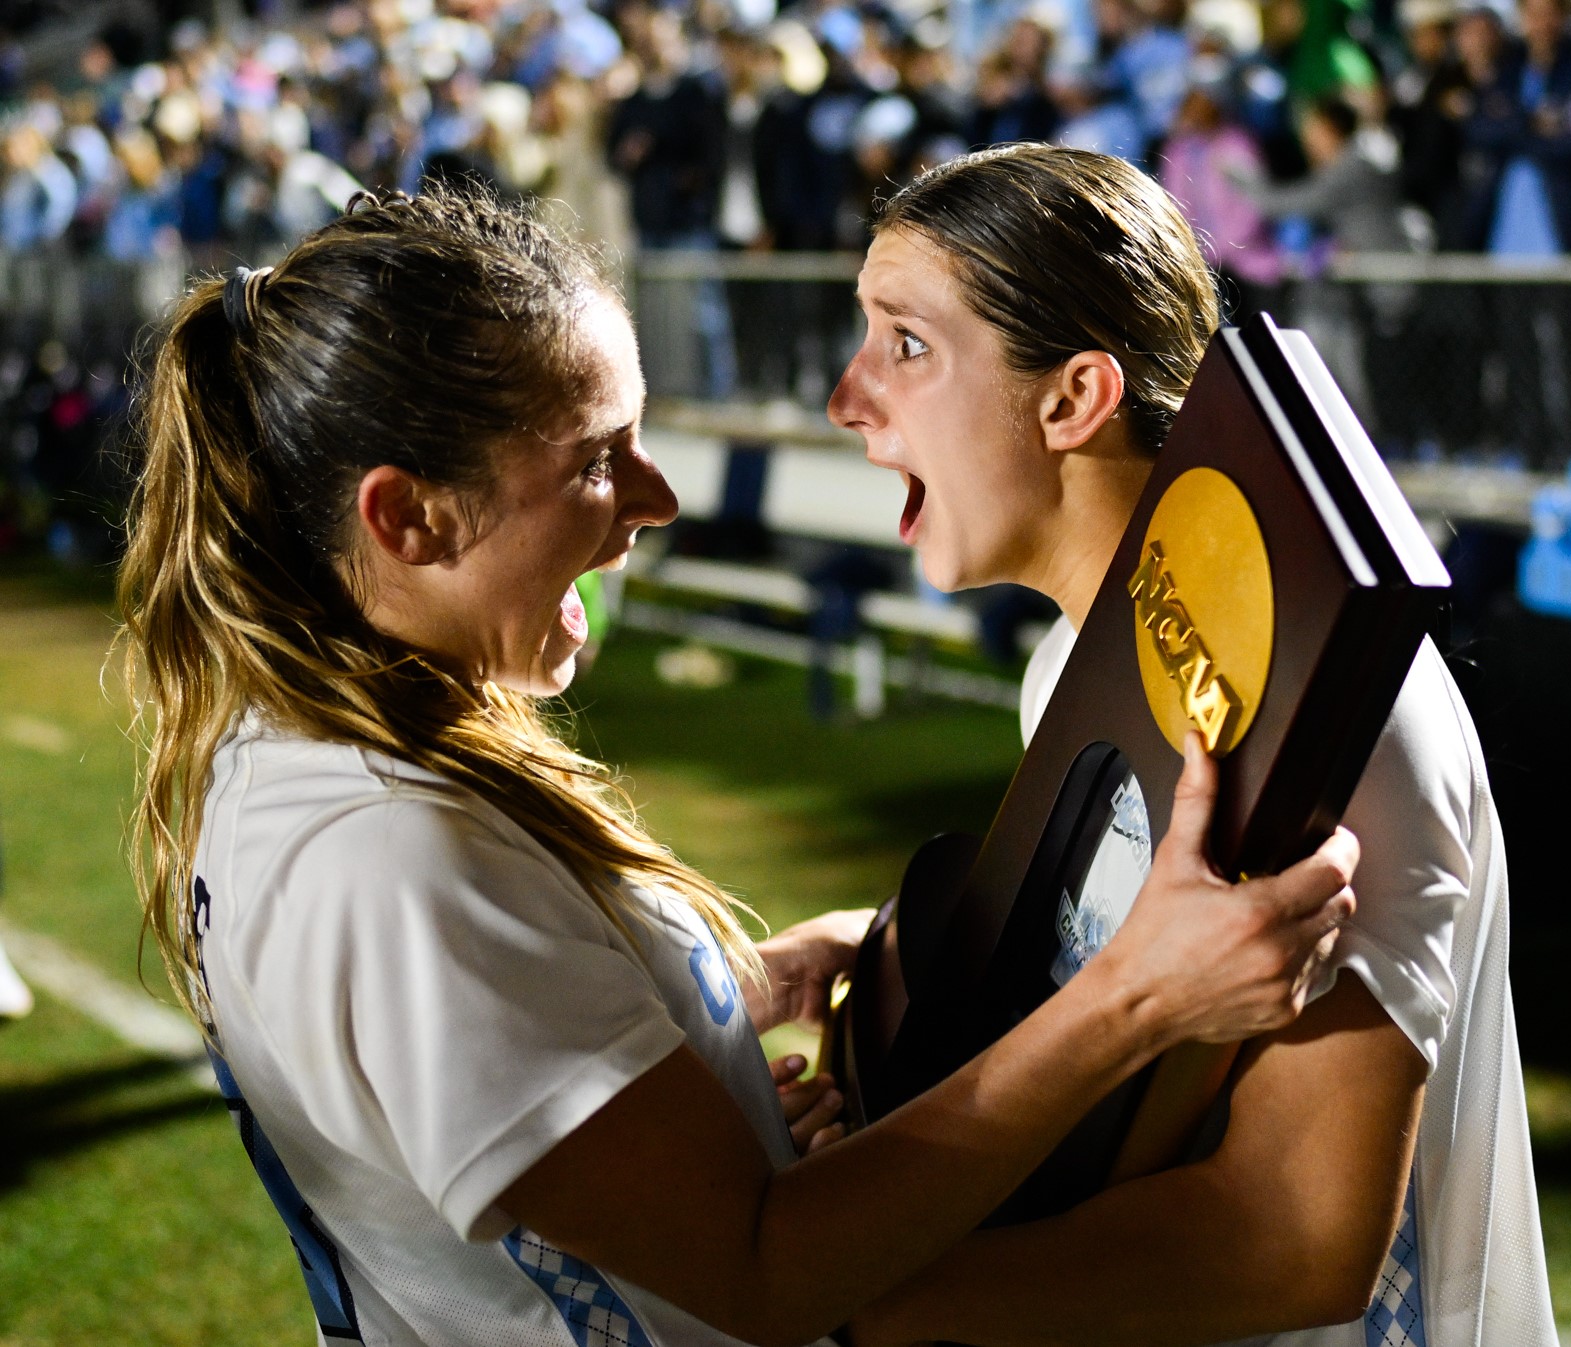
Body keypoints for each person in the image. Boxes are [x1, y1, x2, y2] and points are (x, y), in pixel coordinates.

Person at [116, 185, 1358, 1347]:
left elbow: (488, 1065)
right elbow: (763, 1272)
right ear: (409, 517)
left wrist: (718, 1017)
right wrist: (1135, 994)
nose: (653, 501)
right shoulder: (386, 851)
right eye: (599, 459)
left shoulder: (295, 756)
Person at [827, 143, 1557, 1347]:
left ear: (1072, 398)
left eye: (905, 344)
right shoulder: (1069, 668)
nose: (848, 397)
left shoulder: (1324, 702)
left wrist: (859, 1312)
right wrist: (869, 958)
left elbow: (1294, 1236)